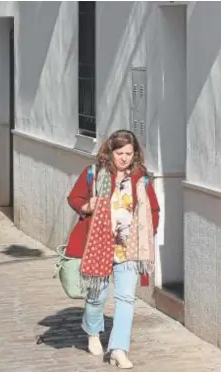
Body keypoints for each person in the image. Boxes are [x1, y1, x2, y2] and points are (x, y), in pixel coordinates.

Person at [65, 129, 160, 368]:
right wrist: (89, 205)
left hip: (128, 247)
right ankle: (93, 332)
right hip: (98, 245)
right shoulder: (94, 174)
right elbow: (74, 198)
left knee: (126, 298)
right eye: (120, 153)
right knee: (97, 295)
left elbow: (154, 211)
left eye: (129, 153)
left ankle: (118, 348)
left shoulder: (141, 178)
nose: (125, 158)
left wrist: (145, 231)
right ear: (110, 151)